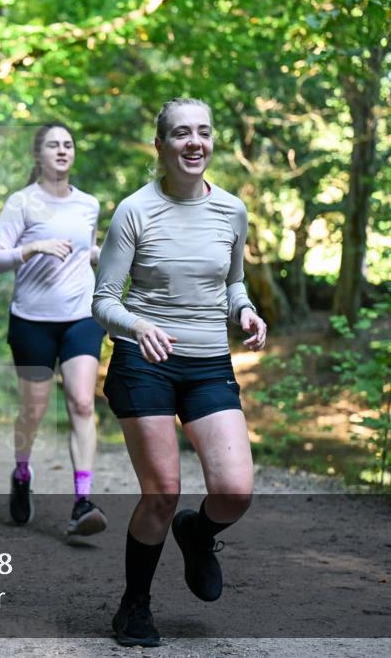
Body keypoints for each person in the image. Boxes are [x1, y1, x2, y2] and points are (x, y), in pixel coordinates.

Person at [92, 98, 268, 647]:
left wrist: (245, 310)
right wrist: (137, 324)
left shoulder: (232, 210)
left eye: (204, 133)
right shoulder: (134, 211)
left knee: (235, 491)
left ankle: (199, 533)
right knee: (163, 492)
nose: (195, 142)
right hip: (145, 363)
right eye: (181, 134)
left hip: (209, 361)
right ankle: (134, 607)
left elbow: (233, 280)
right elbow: (103, 300)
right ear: (161, 146)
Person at [0, 122, 108, 537]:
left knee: (82, 403)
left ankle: (82, 501)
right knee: (34, 411)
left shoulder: (88, 204)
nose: (62, 150)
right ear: (38, 155)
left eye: (68, 144)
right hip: (32, 320)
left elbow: (85, 250)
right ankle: (21, 474)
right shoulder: (21, 203)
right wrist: (31, 248)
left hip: (80, 316)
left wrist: (104, 254)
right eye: (53, 145)